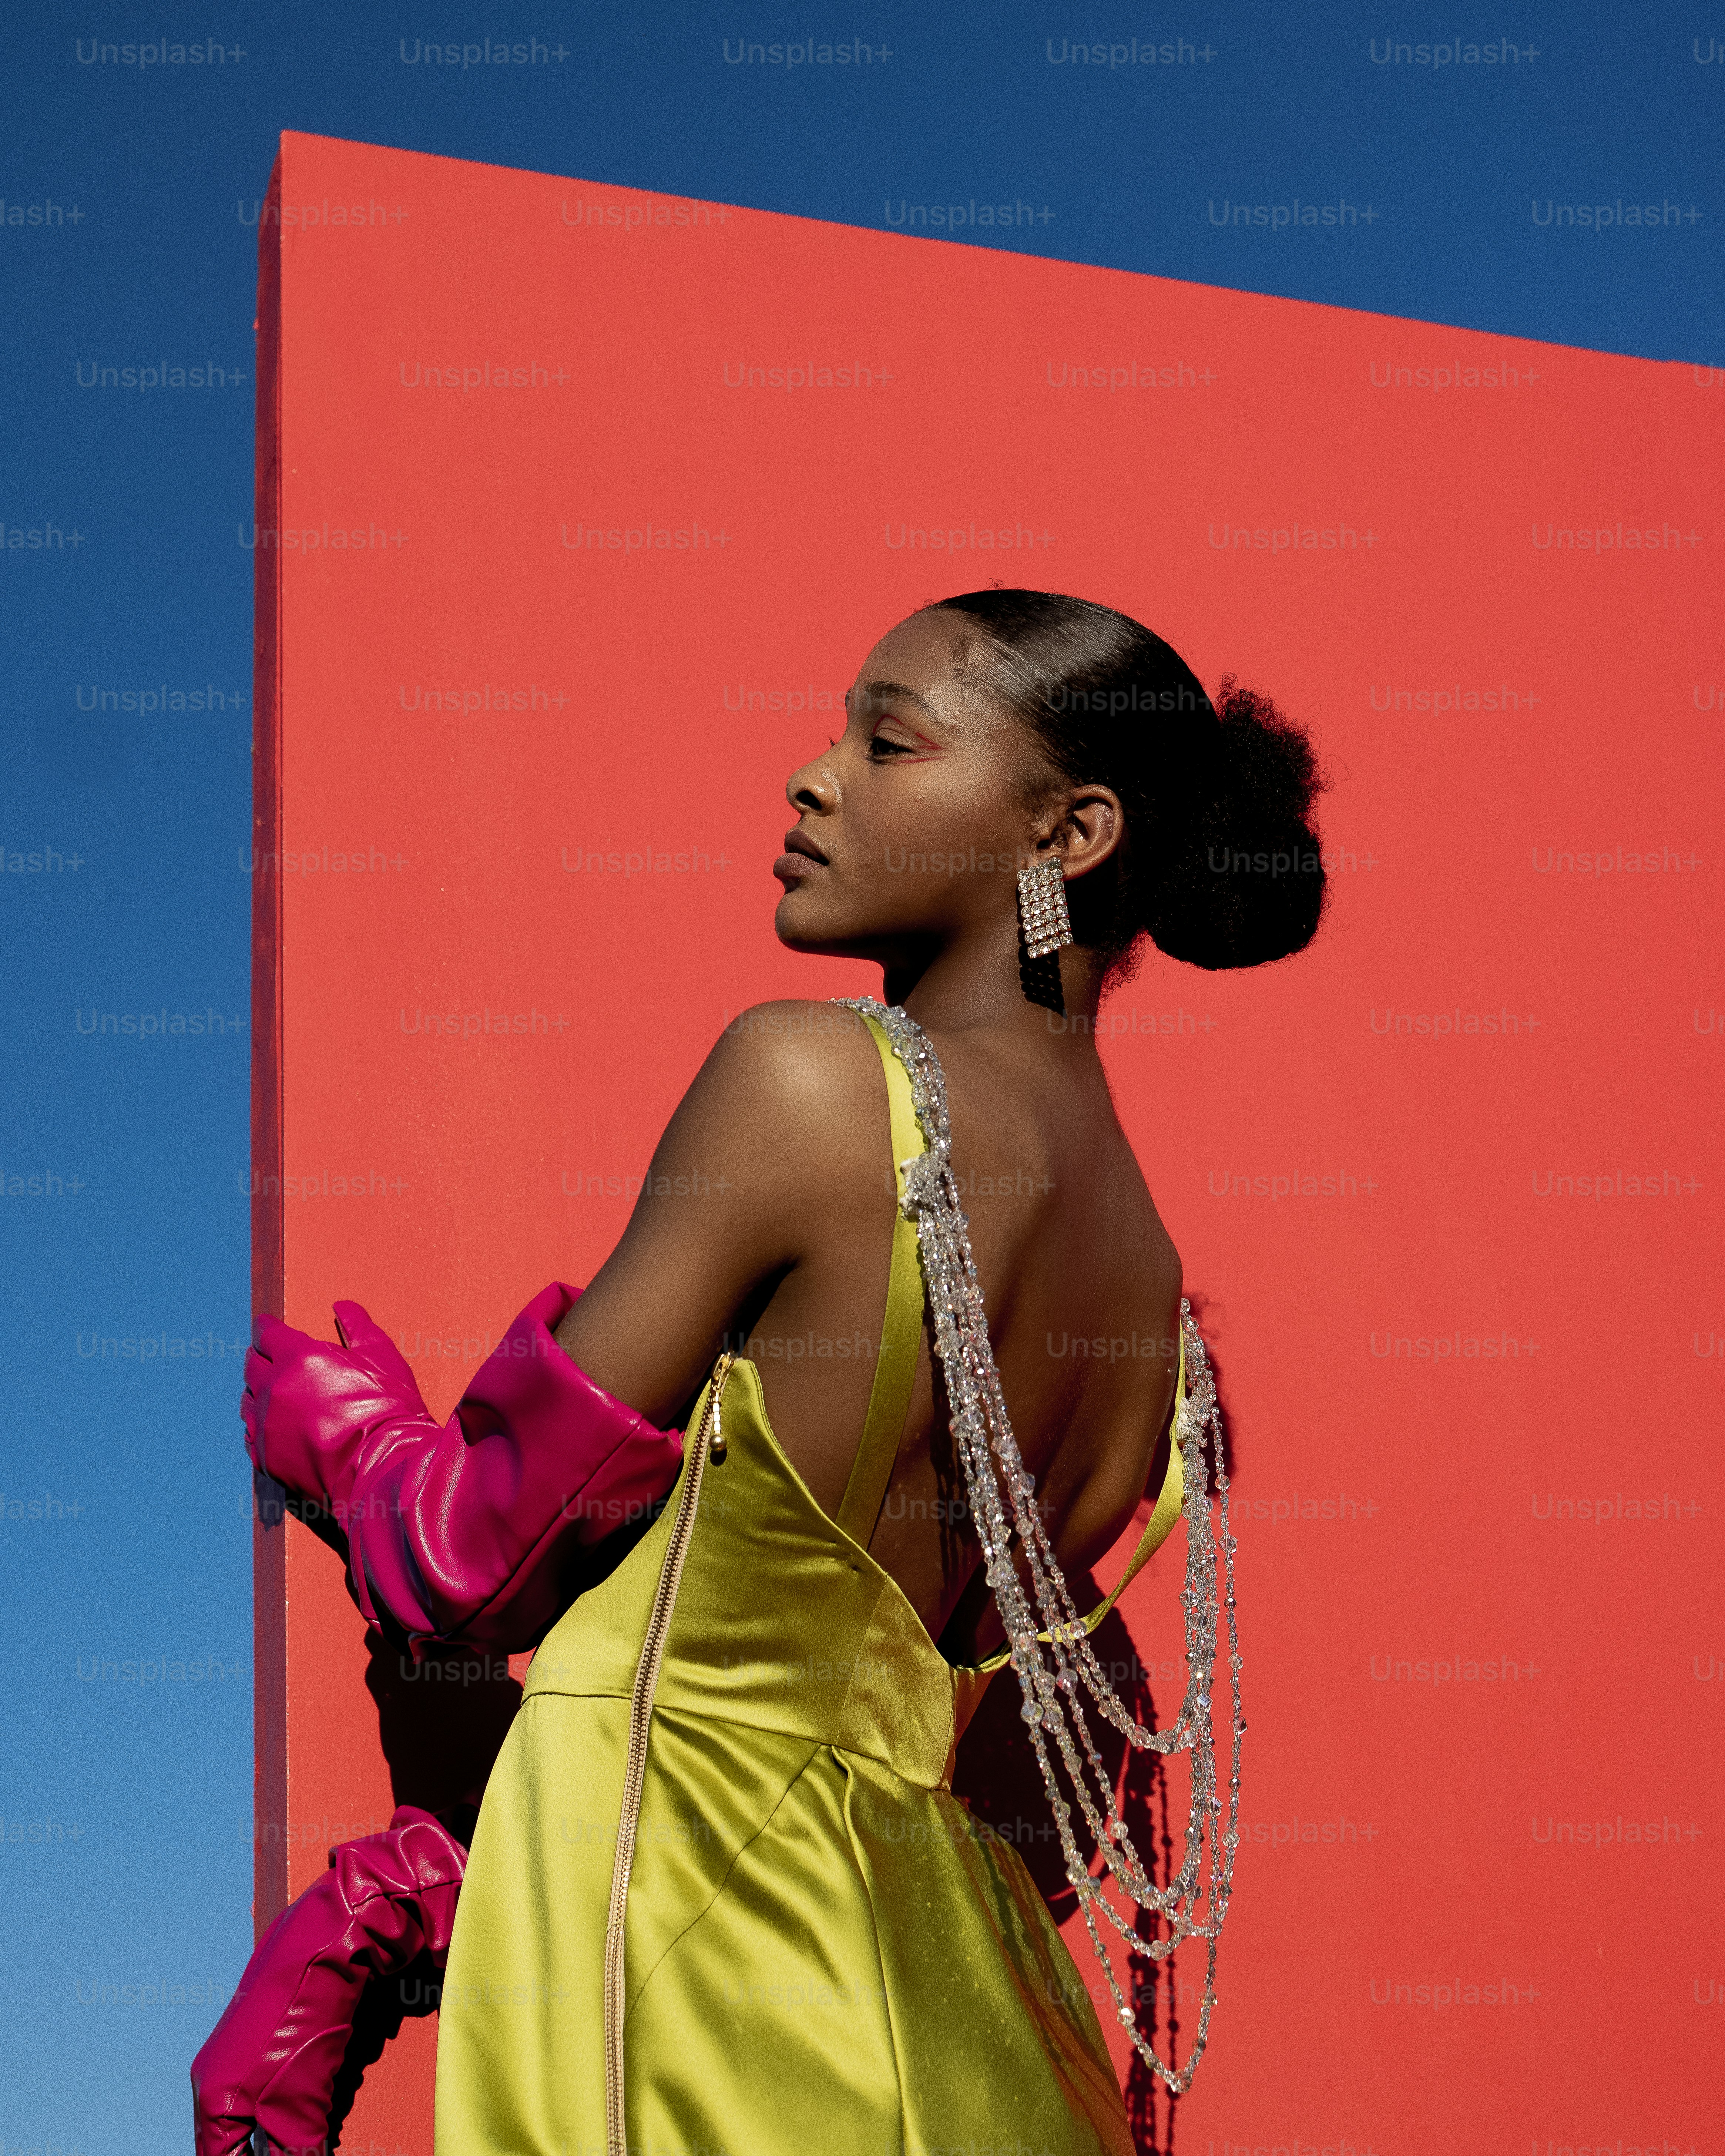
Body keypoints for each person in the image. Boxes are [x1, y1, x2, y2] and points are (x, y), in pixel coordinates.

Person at [193, 589, 1326, 2156]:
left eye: (887, 739)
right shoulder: (1158, 1320)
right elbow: (897, 1717)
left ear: (1067, 835)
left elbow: (466, 1557)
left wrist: (346, 1437)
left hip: (699, 1979)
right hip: (972, 2015)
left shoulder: (804, 1080)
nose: (811, 775)